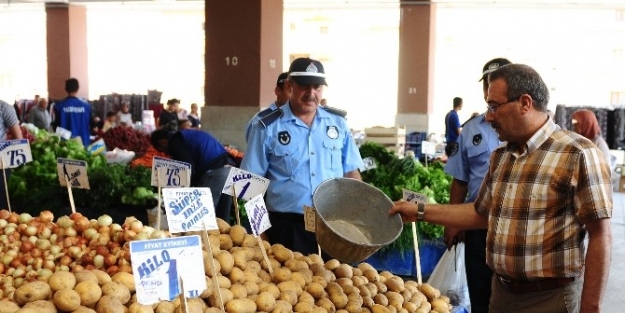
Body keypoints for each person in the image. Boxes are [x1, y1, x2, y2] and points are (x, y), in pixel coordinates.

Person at [390, 64, 612, 313]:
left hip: (552, 299)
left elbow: (600, 235)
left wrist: (591, 306)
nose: (488, 117)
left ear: (525, 103)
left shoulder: (578, 154)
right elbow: (480, 214)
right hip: (501, 294)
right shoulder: (502, 156)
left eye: (494, 106)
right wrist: (420, 211)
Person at [241, 57, 364, 255]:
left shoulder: (337, 124)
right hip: (287, 229)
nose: (311, 94)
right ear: (290, 85)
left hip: (333, 226)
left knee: (336, 284)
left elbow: (352, 174)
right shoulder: (267, 126)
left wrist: (358, 222)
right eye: (305, 86)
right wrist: (261, 235)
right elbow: (248, 186)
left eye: (317, 87)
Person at [443, 57, 511, 313]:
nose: (489, 89)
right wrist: (453, 221)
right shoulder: (471, 129)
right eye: (487, 84)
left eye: (496, 83)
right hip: (476, 224)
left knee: (512, 296)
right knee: (480, 294)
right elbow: (460, 180)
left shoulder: (523, 129)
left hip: (513, 227)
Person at [151, 128, 237, 222]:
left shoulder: (174, 141)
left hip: (216, 171)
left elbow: (187, 166)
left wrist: (185, 190)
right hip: (229, 168)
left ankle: (204, 236)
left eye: (161, 150)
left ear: (162, 142)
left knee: (202, 215)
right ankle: (223, 236)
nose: (164, 153)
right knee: (222, 215)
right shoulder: (185, 136)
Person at [244, 72, 290, 143]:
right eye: (290, 91)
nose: (295, 96)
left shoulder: (301, 120)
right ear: (278, 91)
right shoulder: (261, 121)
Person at [52, 78, 92, 147]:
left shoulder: (59, 106)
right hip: (83, 144)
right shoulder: (86, 107)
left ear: (65, 89)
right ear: (77, 88)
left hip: (66, 146)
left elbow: (56, 126)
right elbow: (91, 125)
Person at [0, 99, 23, 209]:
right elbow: (18, 139)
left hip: (1, 164)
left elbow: (18, 140)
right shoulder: (4, 108)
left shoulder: (4, 108)